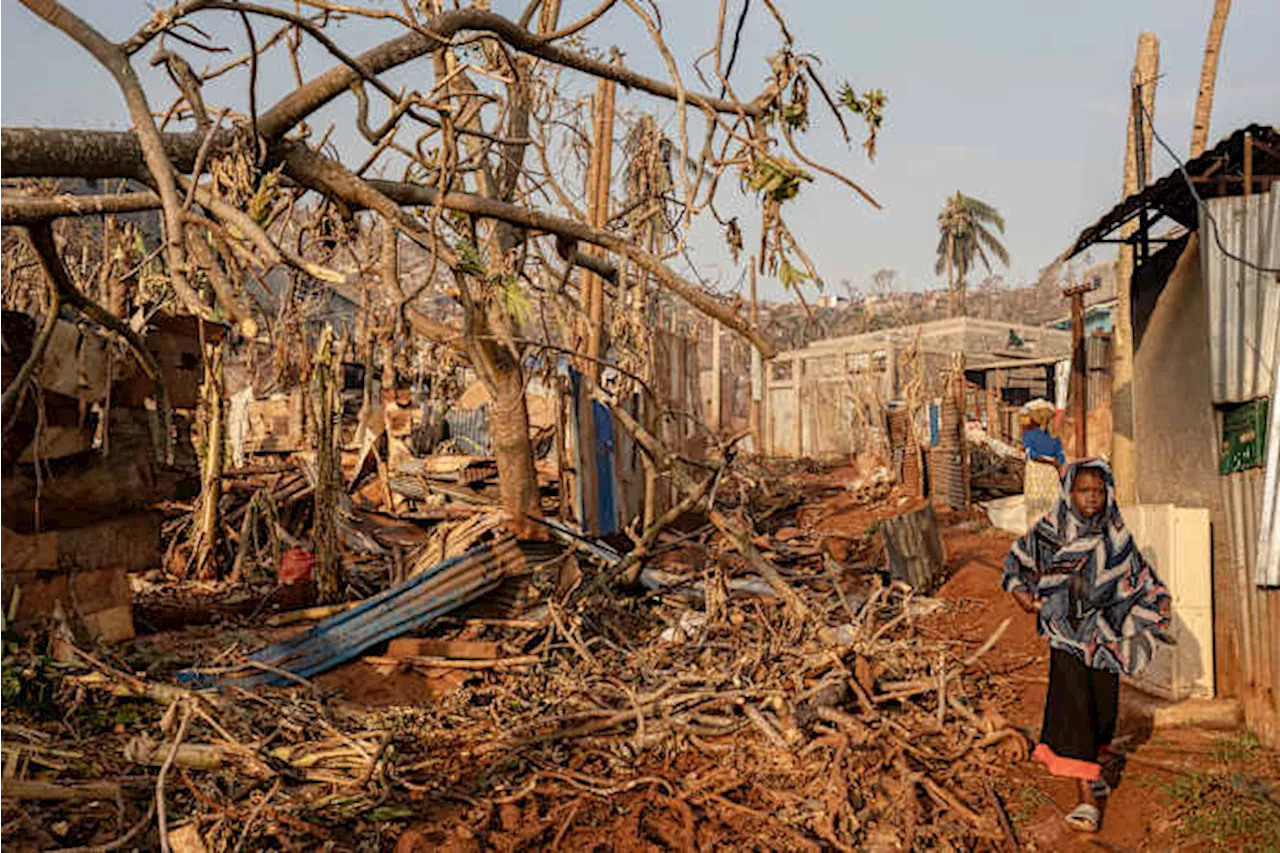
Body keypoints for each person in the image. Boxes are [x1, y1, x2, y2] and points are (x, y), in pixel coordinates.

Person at [1002, 460, 1171, 833]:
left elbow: (1141, 579)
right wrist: (1022, 595)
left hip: (1106, 640)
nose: (1092, 497)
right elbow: (1017, 564)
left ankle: (1094, 768)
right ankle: (1086, 797)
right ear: (1069, 493)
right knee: (1076, 708)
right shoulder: (1051, 531)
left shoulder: (1117, 535)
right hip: (1065, 635)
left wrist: (1158, 603)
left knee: (1102, 709)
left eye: (1098, 490)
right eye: (1084, 490)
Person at [1021, 404, 1064, 527]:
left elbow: (1032, 455)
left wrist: (1050, 462)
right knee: (1051, 502)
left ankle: (1035, 529)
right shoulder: (1055, 437)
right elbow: (1060, 456)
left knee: (1035, 503)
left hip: (1036, 471)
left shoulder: (1028, 435)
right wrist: (1056, 464)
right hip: (1051, 474)